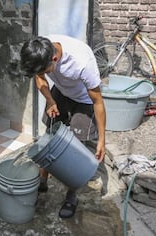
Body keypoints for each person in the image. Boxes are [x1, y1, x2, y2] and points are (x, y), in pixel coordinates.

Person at [20, 35, 106, 219]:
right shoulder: (42, 49)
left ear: (55, 59)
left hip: (84, 100)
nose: (42, 72)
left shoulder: (82, 63)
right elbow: (40, 76)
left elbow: (98, 102)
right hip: (61, 92)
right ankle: (42, 181)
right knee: (50, 137)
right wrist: (50, 100)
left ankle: (72, 194)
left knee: (77, 147)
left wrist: (102, 141)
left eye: (44, 69)